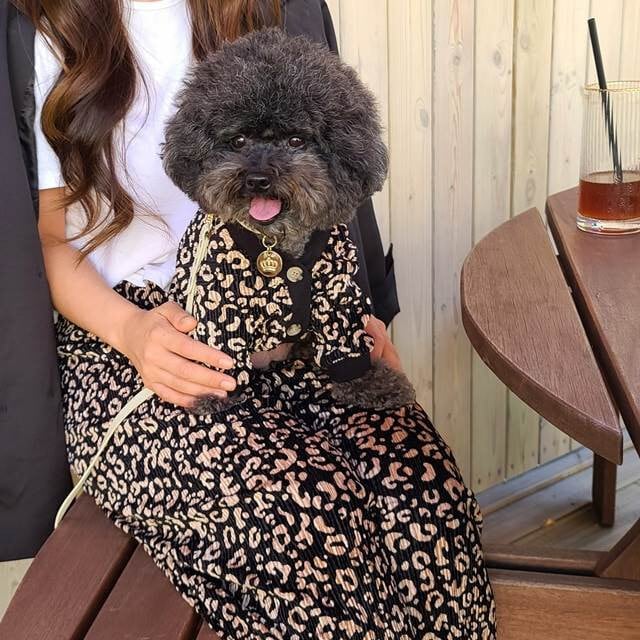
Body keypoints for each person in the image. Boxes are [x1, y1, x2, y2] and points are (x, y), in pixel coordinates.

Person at [5, 0, 497, 637]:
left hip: (283, 317)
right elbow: (48, 240)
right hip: (128, 343)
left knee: (423, 492)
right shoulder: (50, 27)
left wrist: (349, 325)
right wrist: (134, 333)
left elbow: (328, 187)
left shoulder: (274, 7)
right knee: (307, 512)